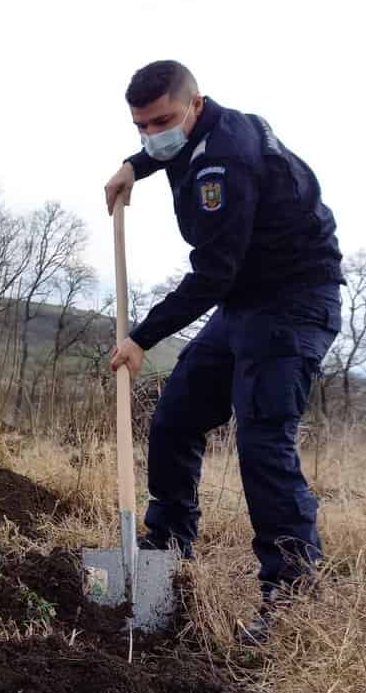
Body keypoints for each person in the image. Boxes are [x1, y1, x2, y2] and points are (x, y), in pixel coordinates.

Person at [103, 60, 343, 642]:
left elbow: (213, 272)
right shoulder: (197, 136)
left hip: (293, 301)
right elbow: (168, 151)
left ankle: (291, 594)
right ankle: (164, 551)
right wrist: (136, 165)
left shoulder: (225, 161)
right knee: (176, 418)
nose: (151, 133)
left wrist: (141, 337)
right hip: (243, 301)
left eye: (161, 121)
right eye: (140, 126)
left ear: (196, 104)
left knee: (262, 440)